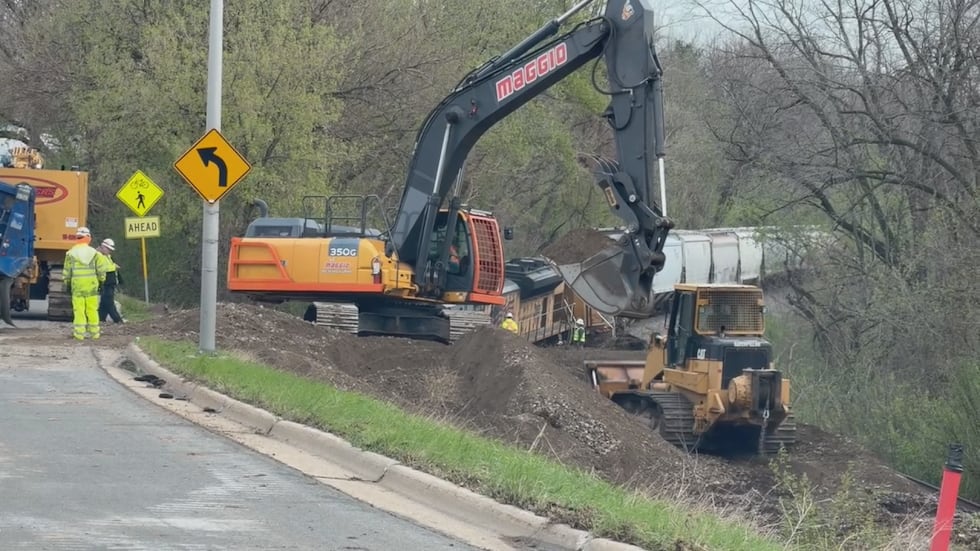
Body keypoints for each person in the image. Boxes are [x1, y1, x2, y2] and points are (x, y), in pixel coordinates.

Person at [63, 227, 111, 340]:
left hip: (77, 287)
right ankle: (95, 334)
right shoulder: (95, 253)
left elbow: (67, 272)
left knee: (79, 311)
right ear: (88, 238)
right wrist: (101, 281)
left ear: (77, 238)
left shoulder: (70, 254)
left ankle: (79, 334)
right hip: (92, 286)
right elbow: (101, 270)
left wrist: (67, 284)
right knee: (92, 310)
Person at [96, 238, 124, 323]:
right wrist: (114, 267)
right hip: (106, 283)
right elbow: (103, 268)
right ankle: (117, 319)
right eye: (108, 249)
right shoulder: (98, 255)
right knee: (109, 302)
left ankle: (100, 318)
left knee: (104, 303)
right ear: (103, 247)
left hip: (110, 283)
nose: (110, 251)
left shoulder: (107, 256)